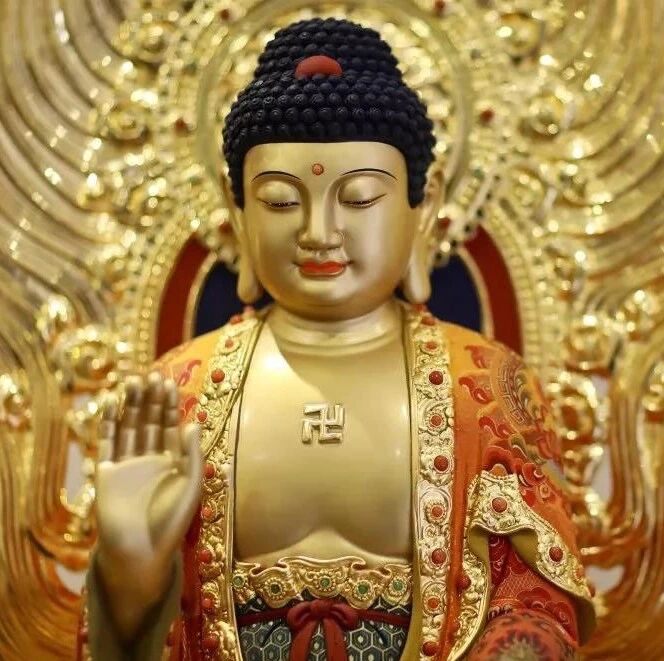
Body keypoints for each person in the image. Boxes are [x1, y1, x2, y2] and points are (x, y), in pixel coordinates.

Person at [79, 18, 594, 661]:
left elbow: (537, 608)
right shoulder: (179, 392)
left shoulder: (486, 387)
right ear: (237, 210)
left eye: (358, 198)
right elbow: (119, 643)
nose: (319, 231)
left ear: (423, 207)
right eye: (280, 201)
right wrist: (130, 571)